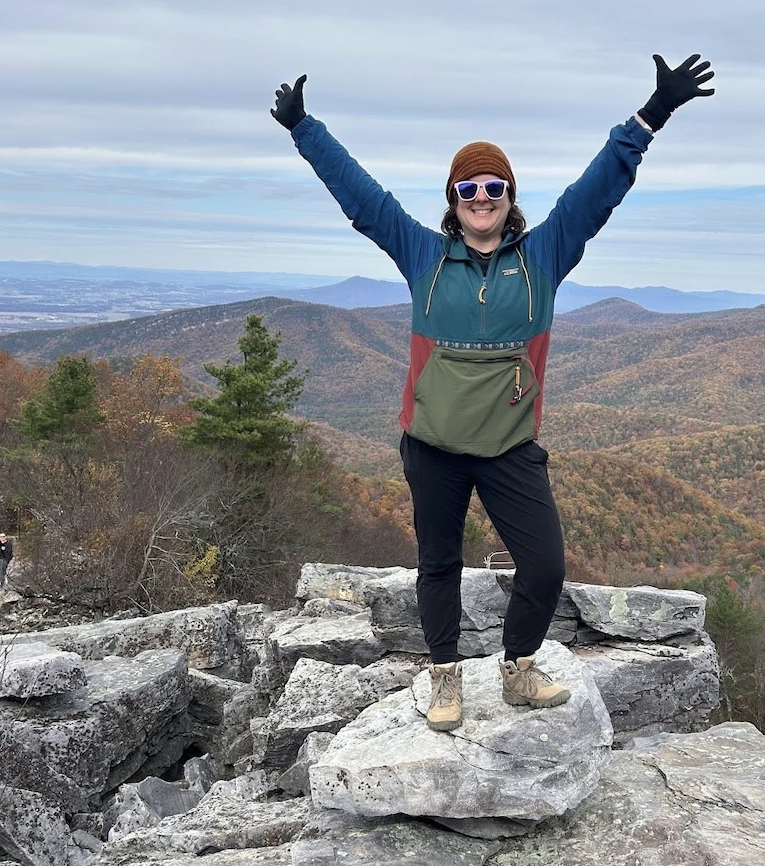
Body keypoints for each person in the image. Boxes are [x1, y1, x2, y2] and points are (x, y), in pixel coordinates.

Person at [271, 54, 715, 729]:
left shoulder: (543, 256)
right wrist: (306, 129)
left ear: (511, 198)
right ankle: (444, 676)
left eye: (494, 188)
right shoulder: (423, 256)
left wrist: (650, 117)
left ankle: (518, 666)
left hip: (509, 445)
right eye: (468, 189)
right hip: (433, 446)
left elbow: (595, 192)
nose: (482, 199)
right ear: (452, 201)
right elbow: (364, 199)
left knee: (544, 566)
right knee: (438, 562)